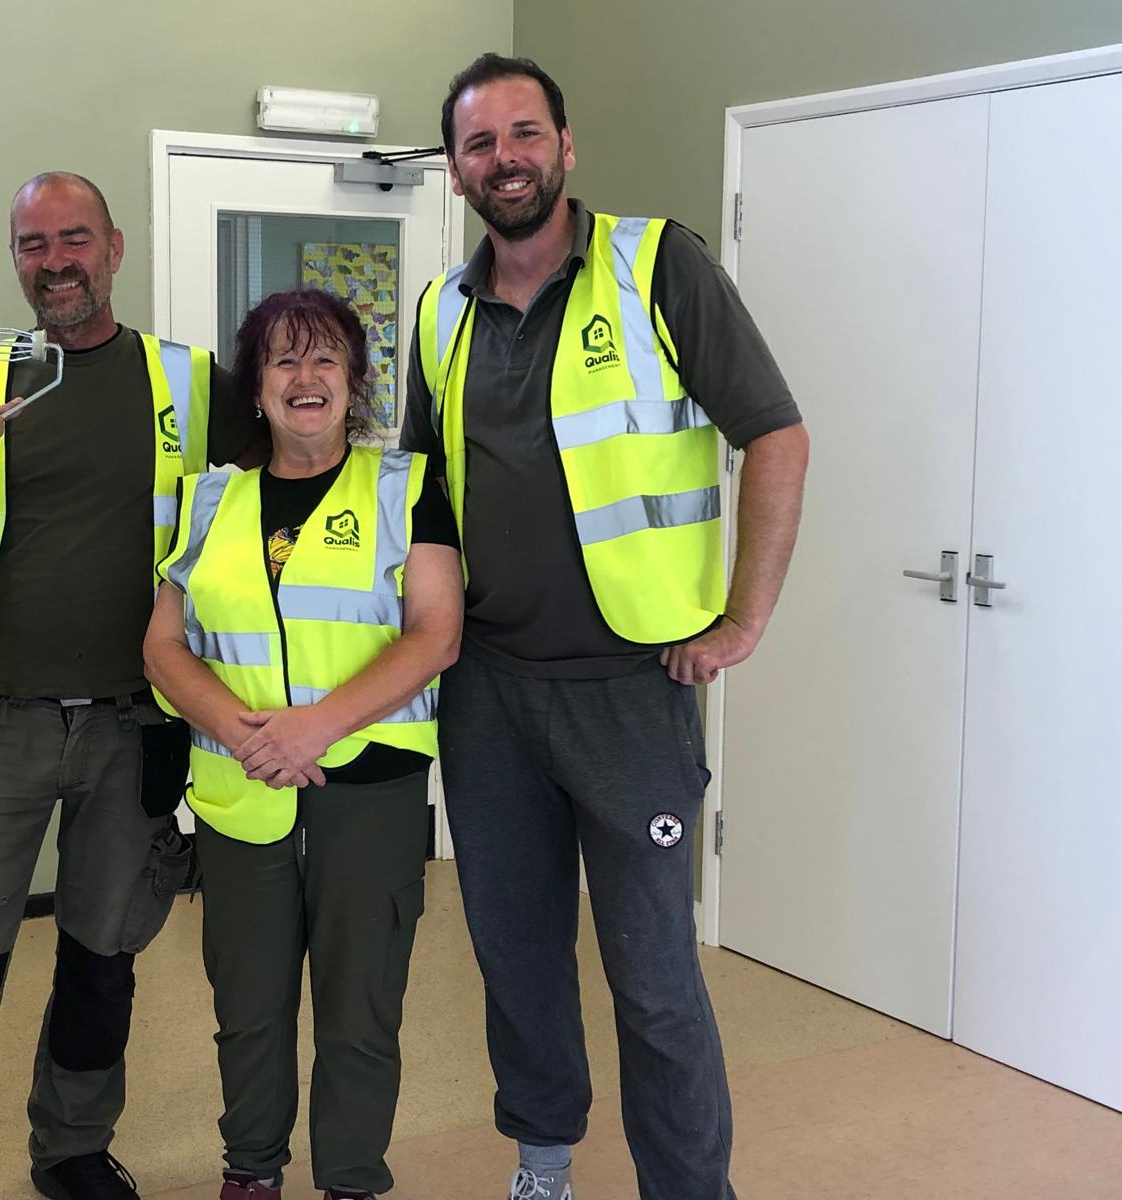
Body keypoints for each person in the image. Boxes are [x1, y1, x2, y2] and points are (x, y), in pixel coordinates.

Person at [402, 54, 811, 1200]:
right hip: (490, 696)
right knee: (517, 960)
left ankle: (688, 1188)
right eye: (480, 145)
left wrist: (743, 617)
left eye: (523, 134)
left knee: (652, 976)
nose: (505, 160)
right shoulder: (441, 311)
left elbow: (774, 435)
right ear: (455, 170)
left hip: (632, 692)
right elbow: (425, 501)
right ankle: (543, 1165)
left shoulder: (656, 265)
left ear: (565, 146)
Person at [0, 171, 261, 1200]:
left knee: (101, 958)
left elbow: (278, 500)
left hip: (134, 726)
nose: (55, 262)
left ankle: (73, 1151)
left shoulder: (188, 381)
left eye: (72, 239)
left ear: (114, 248)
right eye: (32, 245)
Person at [144, 289, 465, 1200]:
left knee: (361, 1006)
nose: (305, 377)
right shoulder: (208, 498)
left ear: (356, 380)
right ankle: (252, 1173)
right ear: (256, 388)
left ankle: (353, 1179)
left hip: (368, 790)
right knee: (247, 1008)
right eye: (284, 360)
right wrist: (237, 731)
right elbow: (163, 643)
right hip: (242, 794)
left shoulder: (406, 487)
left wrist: (315, 727)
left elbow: (435, 634)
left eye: (326, 357)